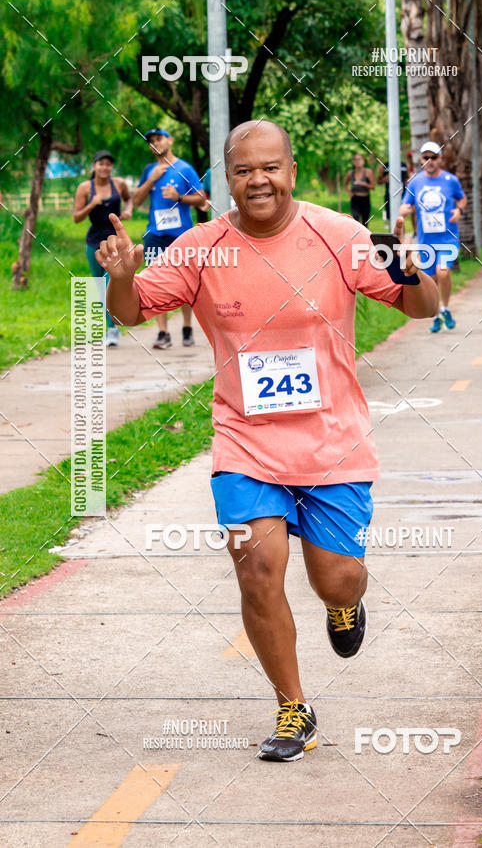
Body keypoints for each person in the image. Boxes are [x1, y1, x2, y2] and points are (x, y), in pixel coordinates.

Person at [96, 120, 438, 762]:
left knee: (336, 580)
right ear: (227, 177)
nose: (259, 180)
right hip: (245, 443)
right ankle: (293, 708)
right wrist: (120, 275)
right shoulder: (201, 248)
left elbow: (420, 307)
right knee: (256, 570)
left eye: (270, 167)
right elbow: (132, 310)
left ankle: (343, 607)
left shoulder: (340, 235)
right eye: (245, 169)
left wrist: (418, 273)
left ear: (291, 169)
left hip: (332, 442)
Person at [133, 128, 208, 348]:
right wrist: (151, 180)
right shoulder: (149, 170)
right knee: (155, 281)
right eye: (151, 141)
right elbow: (137, 200)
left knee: (186, 281)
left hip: (182, 235)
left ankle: (186, 327)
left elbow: (202, 198)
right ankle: (163, 333)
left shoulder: (185, 169)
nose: (155, 143)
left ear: (170, 140)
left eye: (159, 139)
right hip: (155, 234)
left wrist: (179, 197)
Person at [394, 141, 466, 333]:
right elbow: (405, 205)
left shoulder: (451, 180)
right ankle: (436, 314)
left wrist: (459, 211)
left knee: (443, 272)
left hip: (447, 237)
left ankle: (446, 308)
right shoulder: (416, 182)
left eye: (434, 157)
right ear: (421, 160)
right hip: (426, 240)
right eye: (426, 157)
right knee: (431, 279)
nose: (430, 161)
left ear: (440, 159)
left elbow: (462, 198)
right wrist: (405, 210)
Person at [73, 150, 133, 347]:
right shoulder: (84, 188)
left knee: (110, 283)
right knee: (99, 285)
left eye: (108, 164)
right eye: (101, 164)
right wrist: (92, 204)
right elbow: (76, 218)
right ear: (94, 166)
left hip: (114, 240)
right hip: (93, 242)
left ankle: (113, 329)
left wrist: (128, 210)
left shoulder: (119, 184)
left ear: (111, 167)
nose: (105, 167)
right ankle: (106, 328)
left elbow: (129, 198)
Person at [343, 153, 375, 225]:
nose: (358, 162)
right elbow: (345, 185)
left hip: (365, 199)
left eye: (359, 159)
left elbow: (373, 186)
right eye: (355, 160)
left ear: (363, 161)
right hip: (355, 199)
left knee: (365, 222)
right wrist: (349, 192)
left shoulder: (368, 172)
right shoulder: (350, 173)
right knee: (356, 220)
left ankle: (365, 236)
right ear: (353, 162)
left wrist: (364, 184)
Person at [377, 157, 407, 223]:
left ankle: (402, 233)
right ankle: (392, 232)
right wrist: (384, 179)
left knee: (401, 218)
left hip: (402, 195)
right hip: (389, 195)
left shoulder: (404, 165)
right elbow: (378, 182)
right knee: (390, 218)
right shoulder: (385, 165)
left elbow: (408, 180)